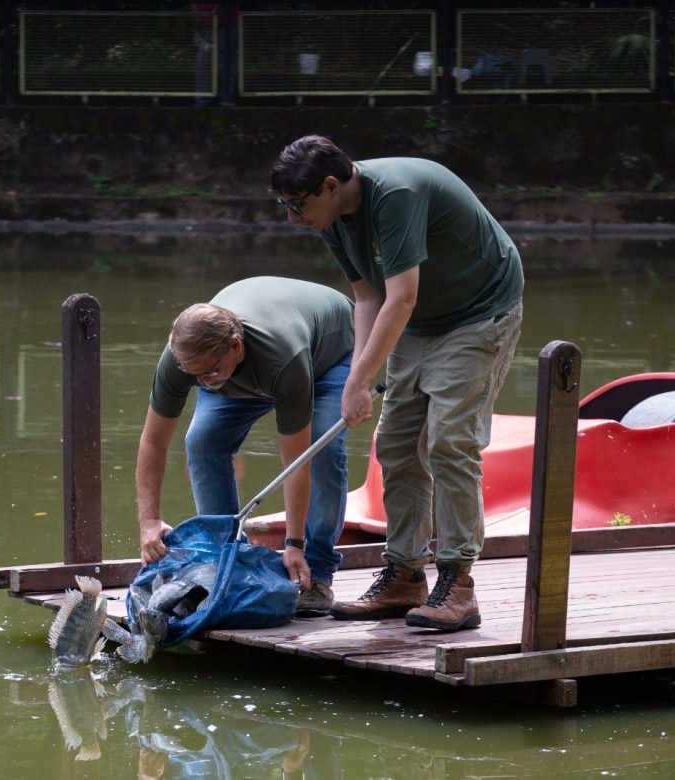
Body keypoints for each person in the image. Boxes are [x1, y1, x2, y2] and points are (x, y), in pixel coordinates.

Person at [270, 136, 524, 632]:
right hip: (416, 319)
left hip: (478, 312)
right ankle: (404, 575)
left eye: (298, 206)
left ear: (330, 185)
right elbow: (367, 296)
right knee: (396, 444)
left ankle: (459, 584)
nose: (292, 219)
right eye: (285, 207)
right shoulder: (330, 215)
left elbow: (401, 296)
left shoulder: (395, 195)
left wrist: (361, 381)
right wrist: (358, 375)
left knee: (451, 441)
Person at [136, 276, 355, 617]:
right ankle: (223, 562)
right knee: (203, 442)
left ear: (236, 346)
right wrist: (149, 521)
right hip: (248, 364)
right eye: (192, 374)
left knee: (321, 448)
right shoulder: (186, 361)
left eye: (208, 372)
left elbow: (296, 461)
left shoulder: (283, 358)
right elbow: (153, 442)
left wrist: (293, 544)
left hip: (327, 354)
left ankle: (318, 571)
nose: (200, 382)